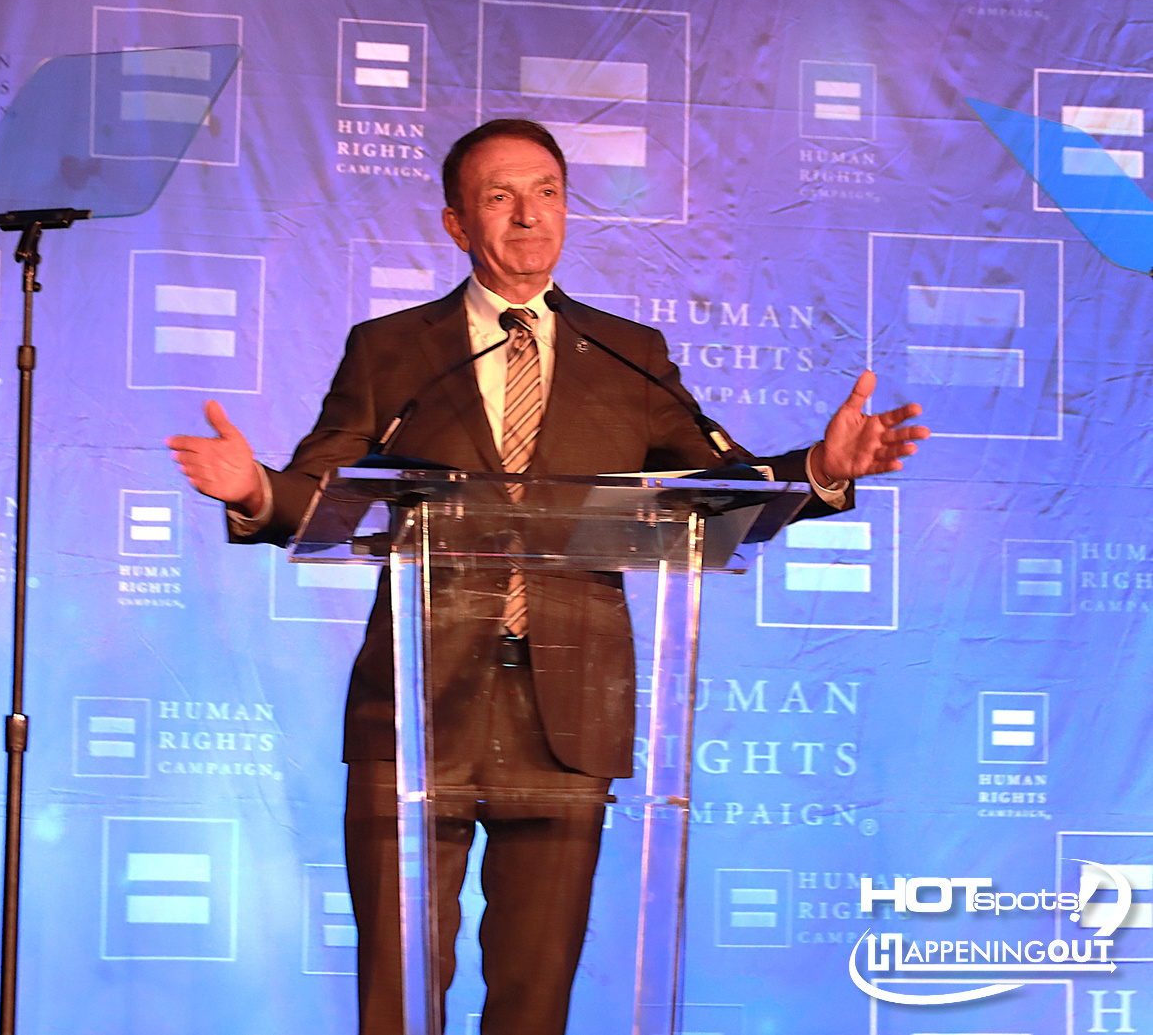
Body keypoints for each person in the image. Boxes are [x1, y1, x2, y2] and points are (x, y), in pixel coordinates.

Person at [167, 119, 928, 1035]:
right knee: (397, 997)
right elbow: (323, 488)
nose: (528, 215)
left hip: (570, 709)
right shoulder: (393, 349)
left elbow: (720, 490)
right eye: (499, 196)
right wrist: (255, 489)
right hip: (413, 713)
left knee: (535, 1002)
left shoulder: (626, 353)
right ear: (455, 223)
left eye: (547, 193)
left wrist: (818, 467)